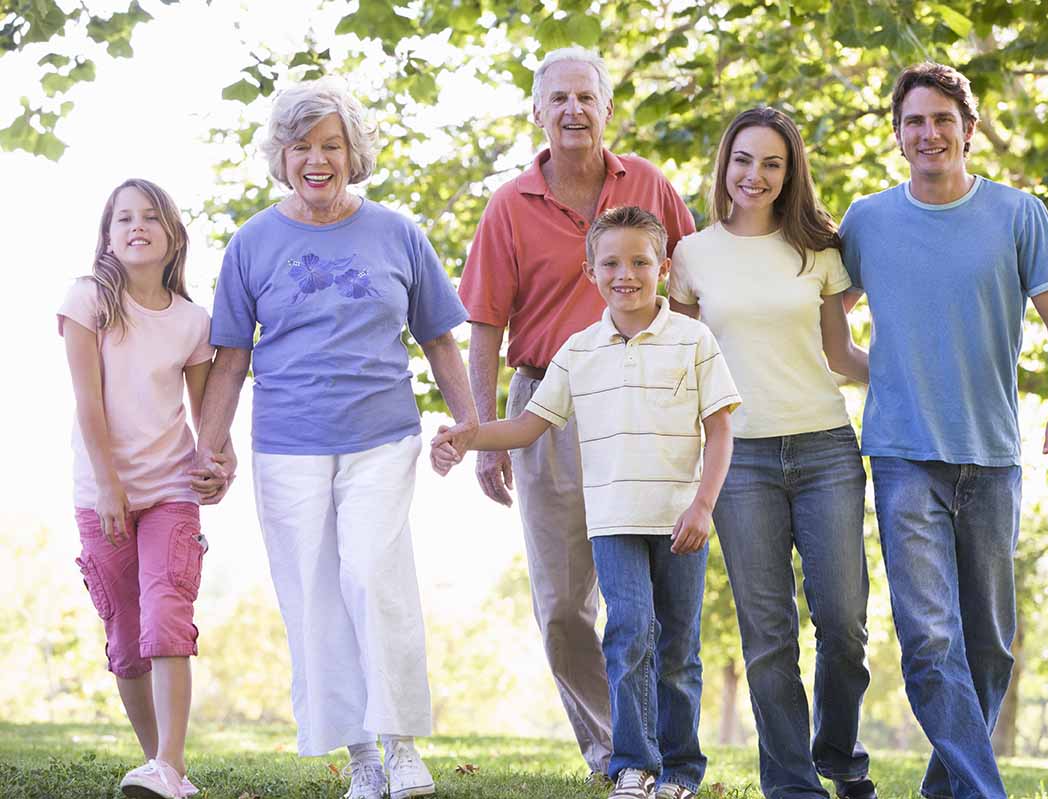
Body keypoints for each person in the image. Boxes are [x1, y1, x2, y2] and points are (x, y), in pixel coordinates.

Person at [191, 80, 478, 799]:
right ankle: (361, 757)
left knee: (372, 574)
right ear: (281, 157)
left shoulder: (398, 232)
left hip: (381, 435)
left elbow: (441, 339)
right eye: (302, 147)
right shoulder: (253, 241)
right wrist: (212, 446)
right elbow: (230, 358)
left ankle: (403, 744)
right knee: (313, 594)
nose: (317, 160)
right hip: (286, 443)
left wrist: (475, 429)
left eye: (330, 145)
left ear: (354, 154)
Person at [840, 62, 1048, 799]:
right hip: (901, 455)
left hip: (993, 457)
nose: (929, 132)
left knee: (989, 647)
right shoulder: (868, 220)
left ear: (969, 130)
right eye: (914, 121)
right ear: (897, 135)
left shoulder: (1018, 214)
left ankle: (945, 789)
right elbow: (827, 327)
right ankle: (986, 793)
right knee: (929, 640)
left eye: (943, 119)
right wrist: (887, 374)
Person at [435, 206, 738, 799]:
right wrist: (469, 434)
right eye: (611, 264)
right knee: (627, 632)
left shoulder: (694, 340)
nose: (626, 274)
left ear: (663, 267)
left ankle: (679, 772)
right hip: (612, 522)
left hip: (681, 520)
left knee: (677, 646)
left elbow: (721, 429)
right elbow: (526, 426)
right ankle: (633, 764)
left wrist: (704, 505)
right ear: (589, 272)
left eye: (640, 262)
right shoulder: (578, 350)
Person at [458, 46, 696, 778]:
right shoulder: (509, 206)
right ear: (537, 112)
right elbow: (486, 326)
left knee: (651, 599)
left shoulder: (651, 186)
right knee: (564, 604)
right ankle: (612, 746)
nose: (572, 111)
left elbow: (690, 292)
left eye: (585, 97)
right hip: (548, 405)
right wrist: (485, 438)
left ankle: (650, 754)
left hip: (647, 403)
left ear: (607, 109)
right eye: (557, 99)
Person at [669, 107, 875, 799]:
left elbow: (840, 353)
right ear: (725, 164)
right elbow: (685, 365)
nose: (755, 175)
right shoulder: (692, 254)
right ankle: (792, 785)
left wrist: (917, 378)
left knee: (844, 622)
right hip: (741, 462)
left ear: (791, 174)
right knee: (768, 634)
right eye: (744, 160)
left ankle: (839, 752)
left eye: (772, 163)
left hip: (825, 448)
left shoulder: (817, 250)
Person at [60, 178, 232, 799]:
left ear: (172, 236)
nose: (137, 227)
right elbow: (88, 402)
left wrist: (220, 458)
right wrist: (108, 486)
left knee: (166, 614)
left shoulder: (192, 321)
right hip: (101, 491)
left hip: (170, 491)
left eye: (151, 218)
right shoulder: (88, 301)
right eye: (124, 218)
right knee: (125, 632)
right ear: (107, 236)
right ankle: (158, 767)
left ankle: (171, 765)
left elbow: (205, 409)